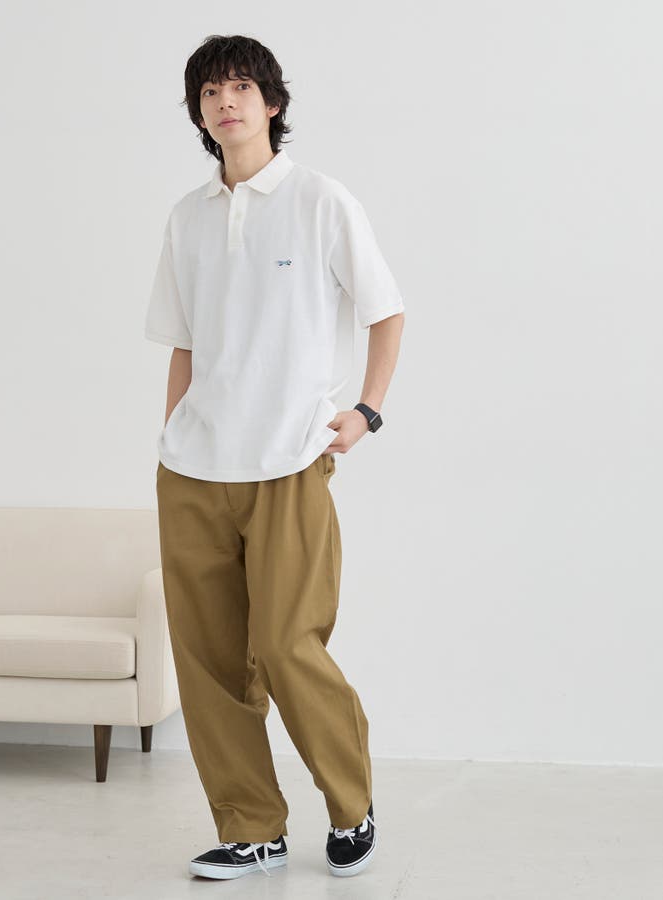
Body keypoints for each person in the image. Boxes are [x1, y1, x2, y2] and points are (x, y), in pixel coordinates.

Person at [145, 34, 405, 881]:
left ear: (272, 103)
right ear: (198, 114)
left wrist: (366, 410)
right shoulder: (187, 217)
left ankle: (352, 805)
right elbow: (183, 343)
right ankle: (252, 827)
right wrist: (172, 435)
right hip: (195, 470)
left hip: (290, 462)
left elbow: (386, 311)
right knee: (209, 661)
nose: (226, 102)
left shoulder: (321, 200)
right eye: (210, 93)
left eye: (241, 88)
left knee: (289, 643)